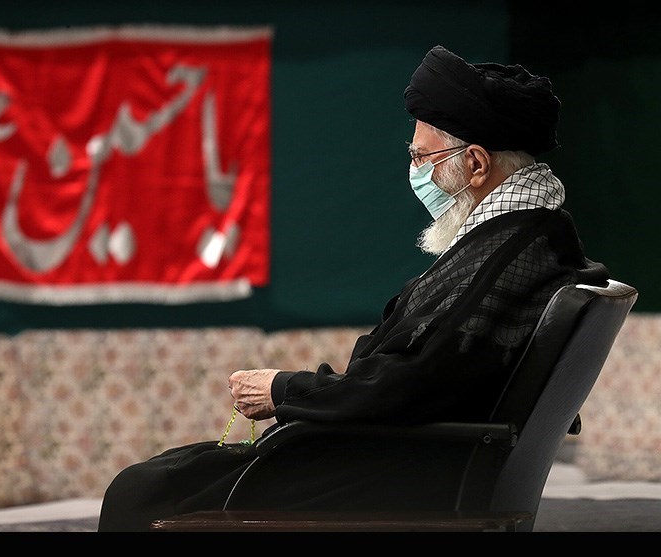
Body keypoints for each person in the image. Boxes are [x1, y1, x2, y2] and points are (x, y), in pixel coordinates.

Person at [97, 44, 609, 532]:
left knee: (144, 490)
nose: (414, 171)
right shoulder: (532, 237)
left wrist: (283, 389)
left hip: (402, 472)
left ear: (476, 164)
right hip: (416, 460)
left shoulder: (509, 253)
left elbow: (411, 385)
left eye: (422, 158)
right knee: (167, 474)